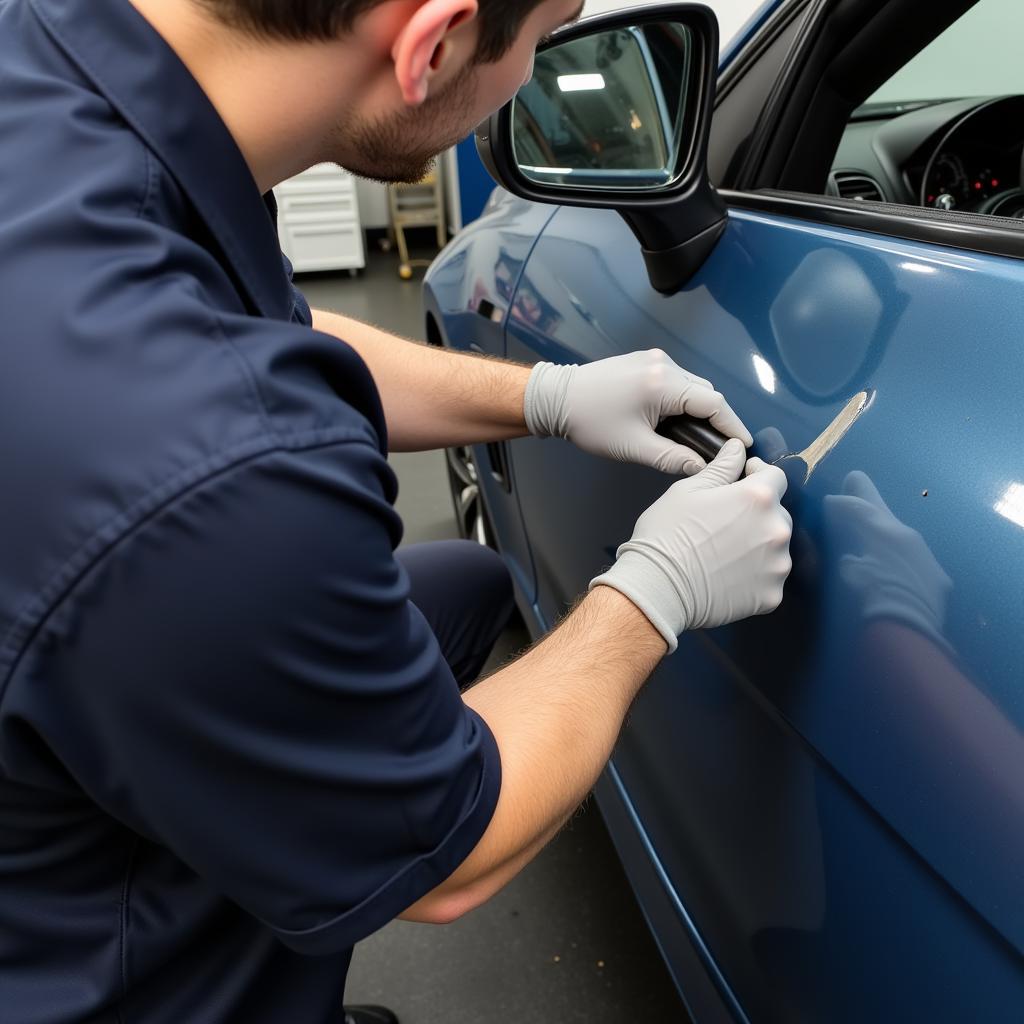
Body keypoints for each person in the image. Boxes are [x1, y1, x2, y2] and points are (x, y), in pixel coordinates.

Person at [0, 1, 793, 1022]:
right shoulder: (215, 472)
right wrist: (653, 592)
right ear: (433, 45)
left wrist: (545, 397)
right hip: (86, 966)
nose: (527, 86)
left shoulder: (60, 62)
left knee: (465, 584)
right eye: (542, 41)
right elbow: (446, 862)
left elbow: (257, 326)